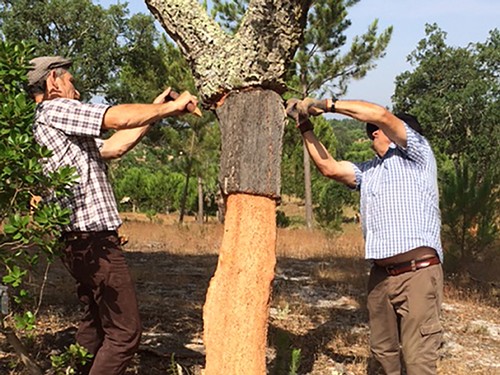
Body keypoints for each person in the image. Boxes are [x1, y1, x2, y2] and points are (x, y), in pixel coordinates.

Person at [26, 56, 199, 375]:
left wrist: (151, 112)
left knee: (94, 328)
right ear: (53, 81)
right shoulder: (55, 109)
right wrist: (171, 108)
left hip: (77, 242)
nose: (75, 91)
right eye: (71, 82)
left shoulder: (52, 126)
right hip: (93, 241)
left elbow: (115, 146)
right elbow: (116, 118)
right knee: (124, 334)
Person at [286, 97, 443, 375]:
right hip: (381, 277)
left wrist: (325, 104)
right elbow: (330, 168)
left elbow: (381, 114)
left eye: (378, 128)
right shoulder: (369, 171)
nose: (373, 131)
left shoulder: (418, 155)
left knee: (420, 362)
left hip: (417, 274)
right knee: (383, 357)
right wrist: (304, 124)